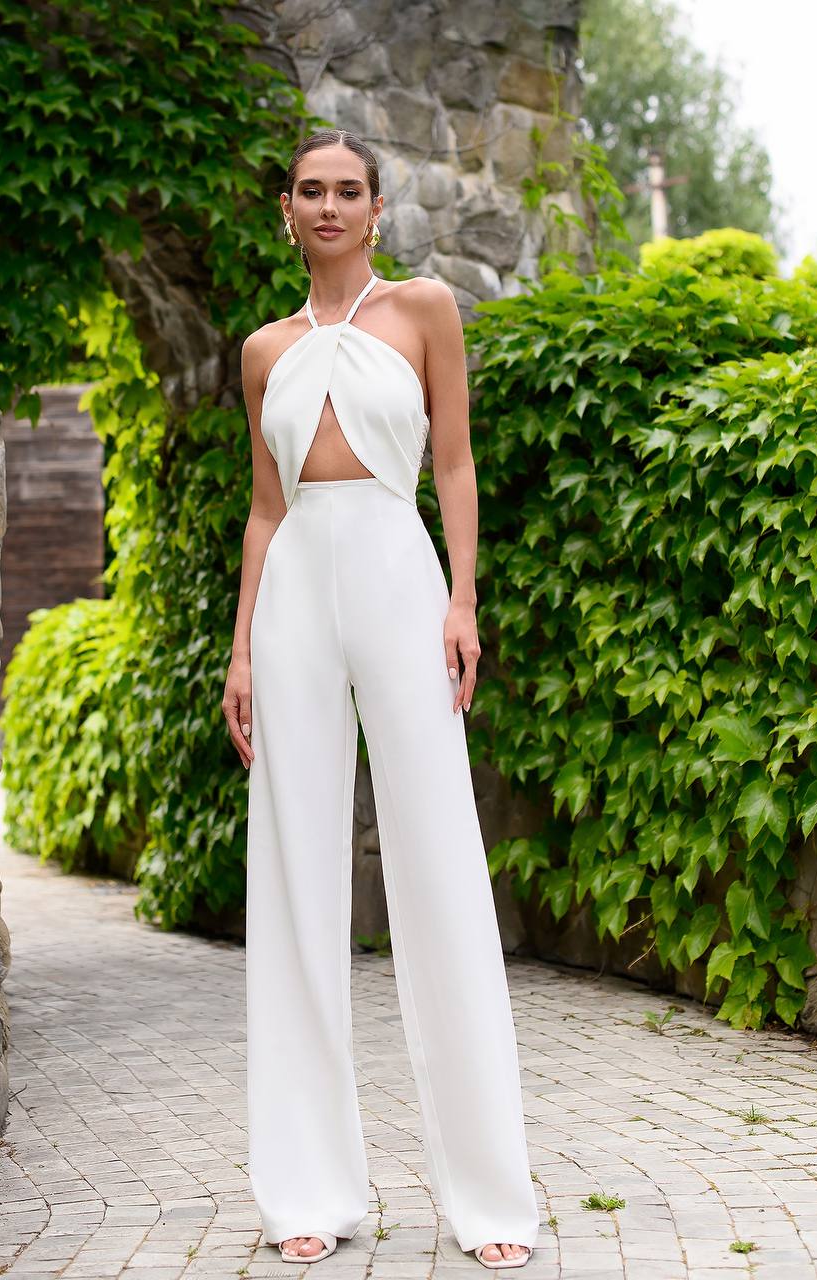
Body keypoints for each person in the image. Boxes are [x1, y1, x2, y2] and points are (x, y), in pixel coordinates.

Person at [221, 127, 541, 1271]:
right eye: (309, 190)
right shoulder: (263, 348)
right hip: (296, 589)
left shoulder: (424, 311)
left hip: (401, 577)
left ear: (376, 204)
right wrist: (242, 647)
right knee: (297, 872)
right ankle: (308, 1186)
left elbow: (453, 463)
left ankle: (489, 1196)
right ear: (286, 210)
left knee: (440, 858)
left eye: (347, 190)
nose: (327, 205)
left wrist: (461, 600)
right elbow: (265, 506)